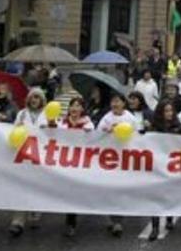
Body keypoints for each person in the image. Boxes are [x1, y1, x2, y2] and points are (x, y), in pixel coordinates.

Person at [48, 96, 94, 236]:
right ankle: (70, 221)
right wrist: (50, 127)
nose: (74, 108)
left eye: (78, 105)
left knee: (77, 191)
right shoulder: (62, 122)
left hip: (81, 162)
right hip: (66, 161)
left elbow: (93, 138)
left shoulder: (88, 124)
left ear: (82, 109)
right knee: (69, 191)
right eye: (72, 105)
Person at [147, 100, 181, 241]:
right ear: (160, 113)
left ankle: (170, 218)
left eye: (171, 110)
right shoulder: (153, 128)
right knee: (155, 197)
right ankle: (155, 227)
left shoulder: (180, 127)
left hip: (172, 167)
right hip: (157, 167)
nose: (169, 113)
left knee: (171, 194)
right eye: (166, 111)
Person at [9, 88, 48, 237]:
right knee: (21, 186)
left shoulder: (47, 114)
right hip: (24, 155)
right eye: (32, 97)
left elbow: (55, 132)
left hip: (40, 157)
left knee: (36, 186)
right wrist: (17, 127)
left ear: (42, 100)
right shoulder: (22, 113)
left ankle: (35, 212)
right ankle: (17, 221)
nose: (34, 100)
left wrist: (48, 128)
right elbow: (13, 131)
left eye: (37, 97)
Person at [96, 93, 137, 237]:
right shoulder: (106, 118)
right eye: (112, 101)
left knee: (120, 190)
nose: (114, 104)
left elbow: (139, 137)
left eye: (117, 101)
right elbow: (97, 136)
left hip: (125, 159)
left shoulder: (130, 118)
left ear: (123, 104)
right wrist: (106, 132)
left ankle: (117, 220)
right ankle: (112, 219)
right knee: (109, 190)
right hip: (108, 160)